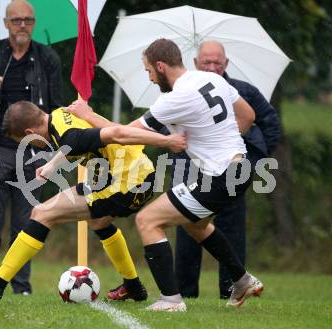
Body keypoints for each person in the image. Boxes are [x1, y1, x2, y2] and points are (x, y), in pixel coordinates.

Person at [68, 38, 264, 312]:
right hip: (240, 167)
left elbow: (125, 135)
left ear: (160, 66)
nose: (149, 78)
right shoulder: (211, 78)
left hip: (222, 176)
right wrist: (225, 143)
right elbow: (249, 114)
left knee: (148, 220)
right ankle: (242, 280)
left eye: (149, 71)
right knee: (194, 224)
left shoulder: (175, 98)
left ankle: (171, 300)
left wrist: (88, 114)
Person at [0, 101, 186, 302]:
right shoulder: (57, 117)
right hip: (125, 176)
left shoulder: (67, 134)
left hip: (127, 183)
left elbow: (117, 133)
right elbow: (72, 143)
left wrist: (167, 142)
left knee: (42, 213)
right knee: (98, 222)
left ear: (28, 132)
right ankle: (133, 287)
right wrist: (52, 164)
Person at [0, 0, 63, 295]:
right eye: (17, 20)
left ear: (34, 24)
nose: (23, 26)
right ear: (6, 23)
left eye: (28, 20)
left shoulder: (47, 58)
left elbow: (56, 108)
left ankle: (20, 287)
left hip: (34, 150)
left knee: (26, 222)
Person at [174, 40, 281, 299]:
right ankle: (185, 292)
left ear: (226, 64)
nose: (212, 67)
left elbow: (271, 126)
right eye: (206, 62)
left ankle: (232, 289)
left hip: (233, 172)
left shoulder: (245, 92)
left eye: (217, 63)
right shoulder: (179, 92)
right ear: (196, 63)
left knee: (232, 231)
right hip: (190, 170)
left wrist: (254, 161)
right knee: (187, 225)